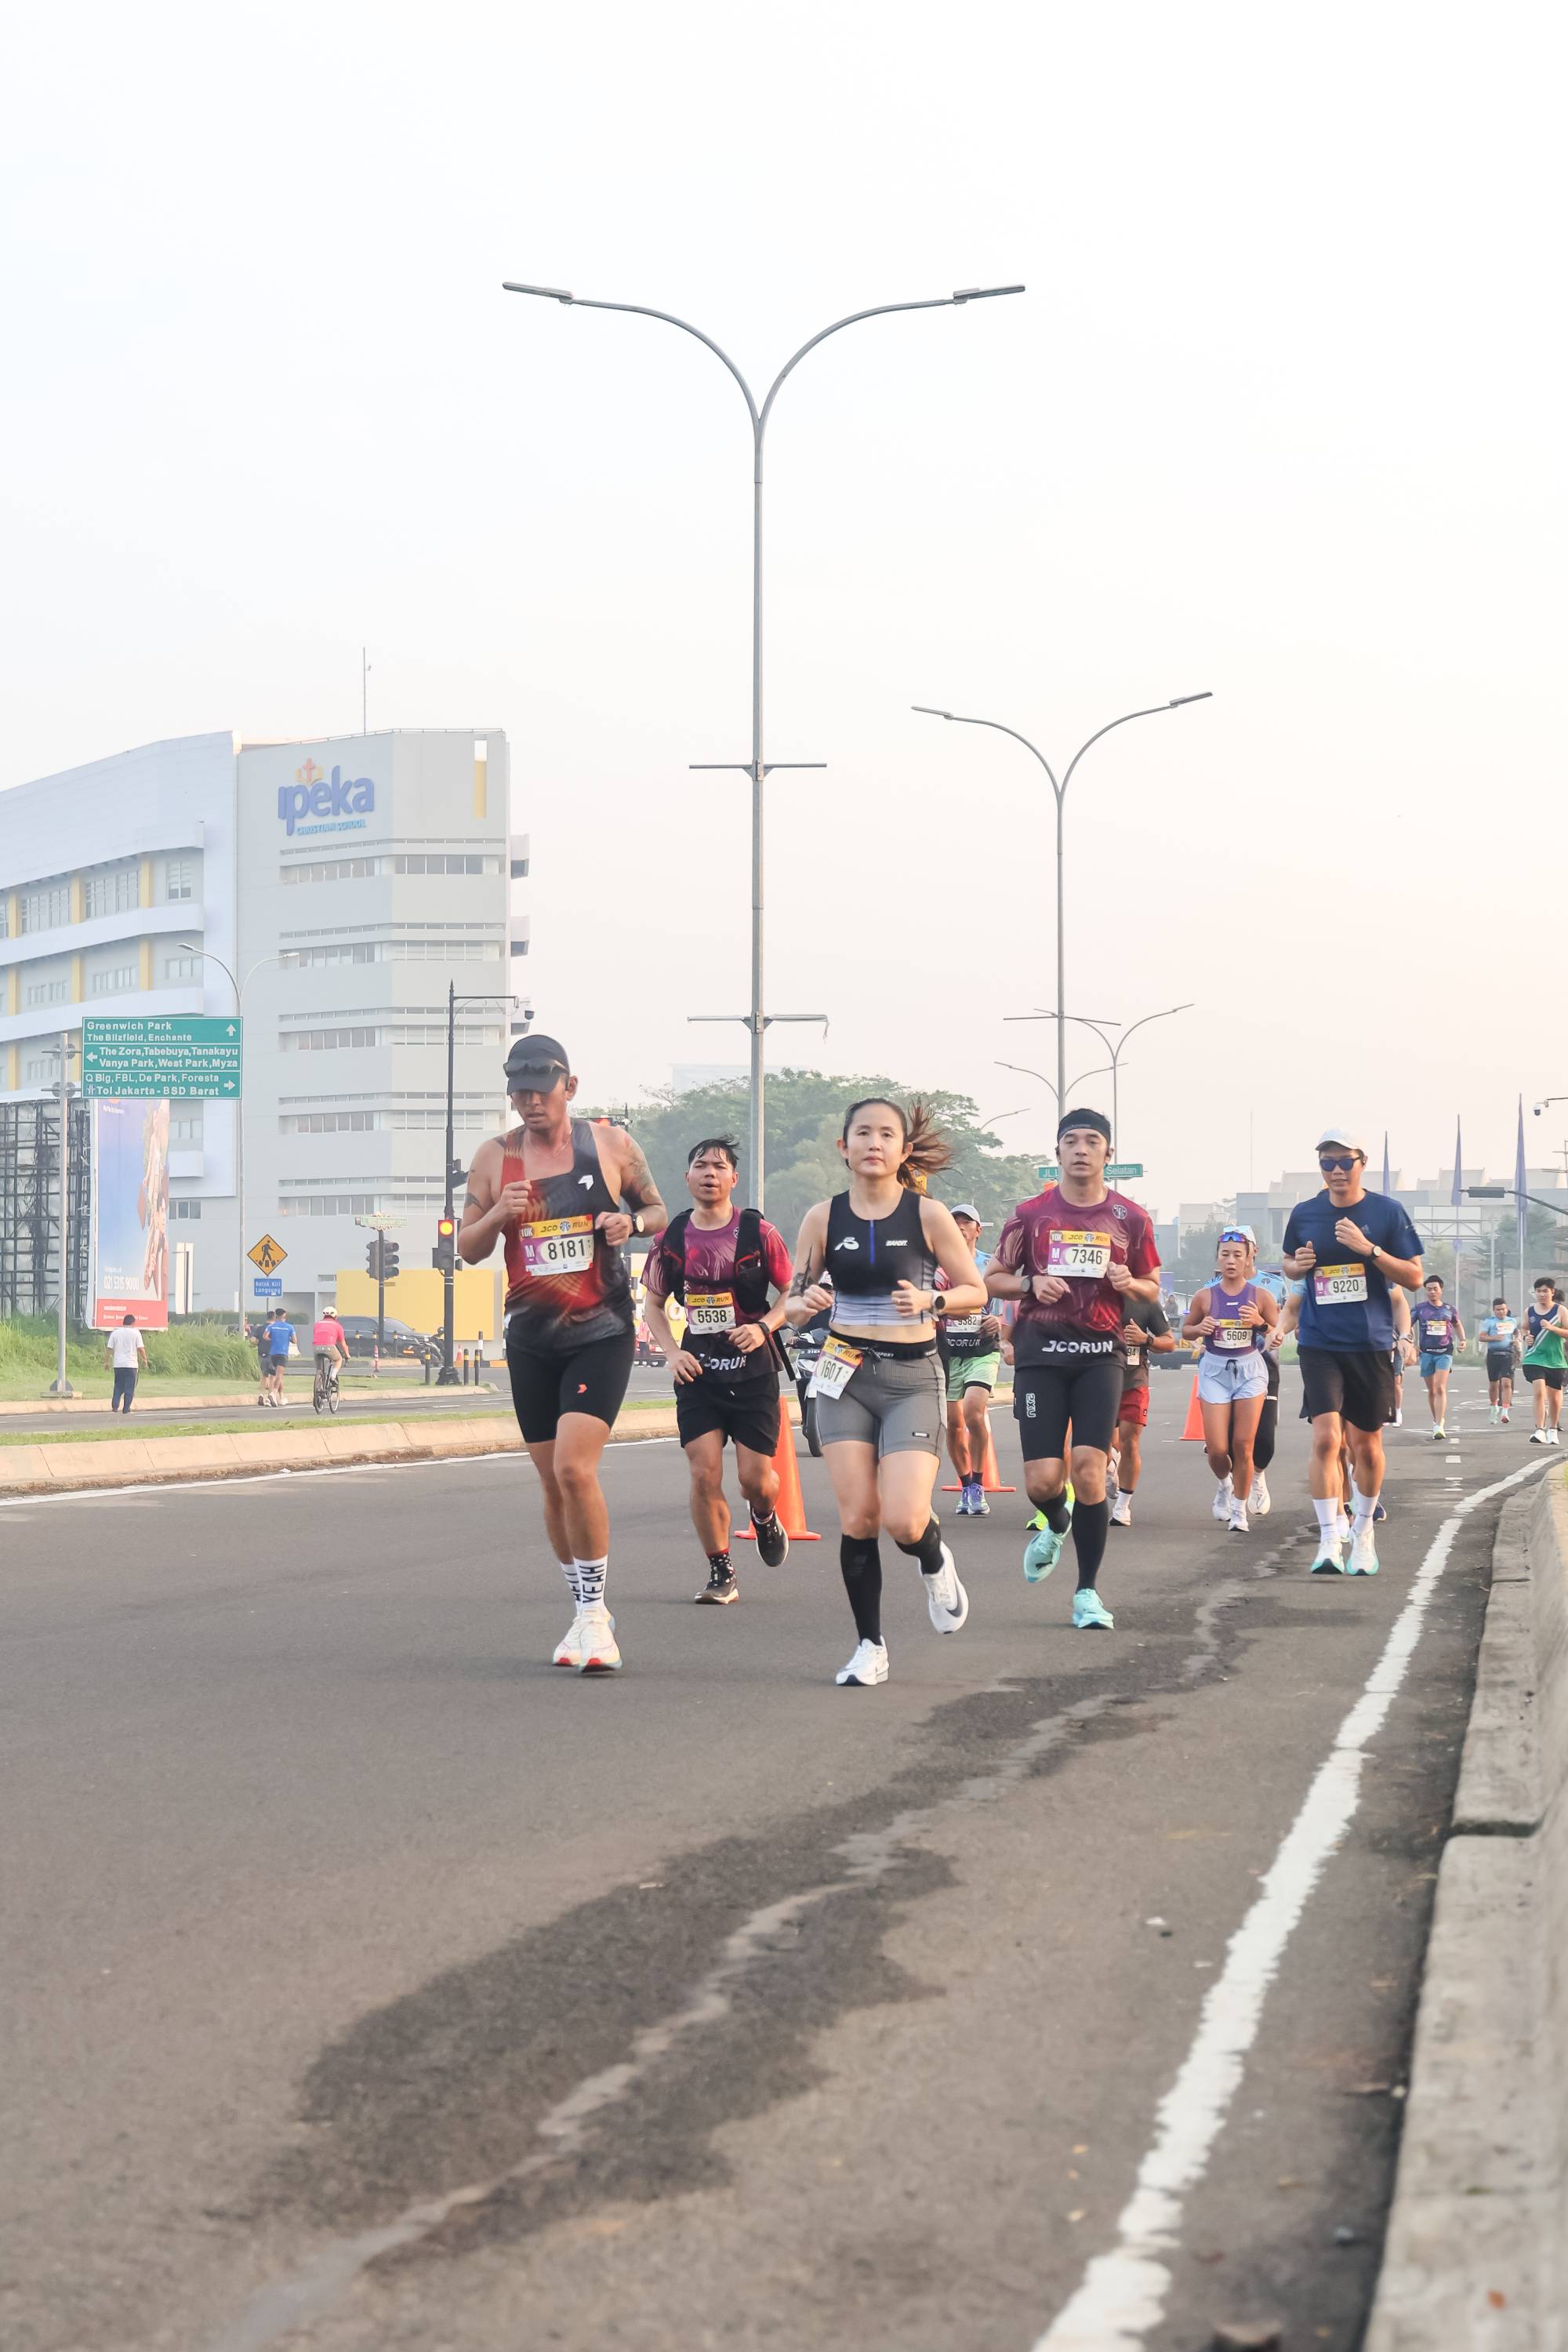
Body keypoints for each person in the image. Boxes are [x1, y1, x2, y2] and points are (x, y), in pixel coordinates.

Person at [459, 1033, 667, 1673]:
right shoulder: (494, 1157)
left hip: (601, 1330)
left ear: (569, 1087)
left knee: (575, 1469)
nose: (529, 1103)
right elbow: (468, 1248)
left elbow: (657, 1209)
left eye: (540, 1091)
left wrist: (631, 1223)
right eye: (518, 1093)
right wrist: (498, 1214)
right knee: (551, 1480)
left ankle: (596, 1615)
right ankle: (581, 1609)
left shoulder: (610, 1145)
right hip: (531, 1337)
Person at [784, 1097, 985, 1688]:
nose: (874, 1143)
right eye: (863, 1133)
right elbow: (791, 1303)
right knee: (858, 1517)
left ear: (903, 1149)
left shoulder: (929, 1215)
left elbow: (974, 1290)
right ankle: (869, 1646)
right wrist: (804, 1302)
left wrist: (932, 1300)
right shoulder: (822, 1217)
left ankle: (933, 1559)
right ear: (843, 1147)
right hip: (843, 1377)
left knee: (903, 1519)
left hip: (911, 1378)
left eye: (886, 1134)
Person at [985, 1109, 1161, 1629]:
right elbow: (993, 1277)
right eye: (1071, 1141)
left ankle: (1087, 1592)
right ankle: (1055, 1521)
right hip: (1041, 1354)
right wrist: (1029, 1284)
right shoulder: (1031, 1214)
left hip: (1100, 1356)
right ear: (1058, 1151)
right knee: (1043, 1482)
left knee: (1088, 1468)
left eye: (1092, 1141)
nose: (1081, 1149)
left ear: (1109, 1153)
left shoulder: (1131, 1218)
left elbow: (1151, 1286)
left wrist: (1130, 1283)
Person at [640, 1137, 794, 1604]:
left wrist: (764, 1327)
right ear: (687, 1177)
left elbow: (793, 1293)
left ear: (734, 1179)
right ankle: (721, 1570)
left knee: (755, 1481)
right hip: (698, 1372)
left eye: (720, 1166)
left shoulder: (759, 1233)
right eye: (701, 1165)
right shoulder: (670, 1240)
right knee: (704, 1473)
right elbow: (652, 1304)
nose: (710, 1173)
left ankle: (764, 1515)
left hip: (753, 1370)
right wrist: (672, 1352)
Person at [1281, 1125, 1423, 1576]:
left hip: (1370, 1343)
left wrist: (1369, 1249)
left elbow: (1414, 1278)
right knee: (1326, 1438)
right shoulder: (1305, 1213)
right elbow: (1287, 1263)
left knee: (1367, 1444)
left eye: (1346, 1161)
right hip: (1320, 1341)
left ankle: (1363, 1531)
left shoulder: (1387, 1212)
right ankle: (1329, 1537)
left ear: (1363, 1164)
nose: (1337, 1170)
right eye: (1328, 1163)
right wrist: (1297, 1266)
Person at [1183, 1228, 1279, 1532]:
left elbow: (1276, 1336)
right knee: (1217, 1449)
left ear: (1249, 1258)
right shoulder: (1205, 1296)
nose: (1231, 1261)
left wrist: (1260, 1323)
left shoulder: (1261, 1296)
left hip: (1250, 1369)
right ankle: (1225, 1484)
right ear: (1217, 1258)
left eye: (1238, 1255)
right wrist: (1200, 1329)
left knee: (1243, 1444)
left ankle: (1239, 1511)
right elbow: (1186, 1330)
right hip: (1214, 1370)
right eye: (1225, 1255)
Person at [937, 1204, 1006, 1516]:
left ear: (978, 1229)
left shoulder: (989, 1265)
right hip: (949, 1352)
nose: (961, 1226)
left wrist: (999, 1321)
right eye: (956, 1222)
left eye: (967, 1222)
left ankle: (978, 1484)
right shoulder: (938, 1265)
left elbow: (1007, 1303)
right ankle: (965, 1485)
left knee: (974, 1413)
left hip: (983, 1350)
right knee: (954, 1426)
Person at [1109, 1287, 1175, 1528]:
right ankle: (1111, 1465)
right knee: (1098, 1444)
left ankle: (1123, 1506)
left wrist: (1145, 1339)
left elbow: (1169, 1342)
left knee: (1130, 1442)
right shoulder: (1091, 1296)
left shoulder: (1146, 1301)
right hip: (1098, 1380)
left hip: (1134, 1379)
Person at [1410, 1274, 1465, 1440]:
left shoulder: (1449, 1309)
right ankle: (1436, 1421)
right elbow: (1407, 1325)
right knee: (1432, 1390)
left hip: (1444, 1352)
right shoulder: (1419, 1309)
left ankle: (1439, 1425)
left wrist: (1463, 1340)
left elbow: (1457, 1324)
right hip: (1426, 1352)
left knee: (1440, 1387)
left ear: (1441, 1290)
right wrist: (1411, 1342)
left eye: (1435, 1289)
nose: (1432, 1292)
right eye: (1429, 1289)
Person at [1524, 1279, 1568, 1446]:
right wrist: (1525, 1337)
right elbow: (1524, 1327)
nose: (1541, 1294)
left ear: (1552, 1292)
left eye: (1545, 1291)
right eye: (1538, 1291)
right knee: (1539, 1392)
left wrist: (1552, 1328)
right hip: (1534, 1357)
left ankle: (1553, 1429)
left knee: (1555, 1398)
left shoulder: (1560, 1311)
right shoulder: (1529, 1311)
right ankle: (1540, 1429)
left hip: (1555, 1360)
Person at [1479, 1298, 1518, 1425]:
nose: (1501, 1312)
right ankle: (1493, 1407)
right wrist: (1494, 1338)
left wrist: (1517, 1340)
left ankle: (1505, 1411)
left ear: (1507, 1309)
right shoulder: (1489, 1322)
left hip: (1508, 1354)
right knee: (1494, 1384)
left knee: (1506, 1383)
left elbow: (1517, 1333)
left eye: (1503, 1309)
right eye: (1498, 1309)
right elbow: (1481, 1337)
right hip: (1493, 1355)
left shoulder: (1512, 1321)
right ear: (1494, 1310)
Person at [104, 1312, 147, 1413]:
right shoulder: (136, 1333)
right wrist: (145, 1359)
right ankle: (126, 1408)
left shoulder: (115, 1333)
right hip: (131, 1365)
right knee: (129, 1387)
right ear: (133, 1323)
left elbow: (109, 1349)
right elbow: (140, 1348)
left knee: (118, 1385)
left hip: (118, 1365)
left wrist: (106, 1362)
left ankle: (115, 1406)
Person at [312, 1302, 349, 1397]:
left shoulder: (317, 1324)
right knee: (338, 1359)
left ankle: (318, 1391)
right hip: (330, 1347)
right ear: (335, 1317)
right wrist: (347, 1355)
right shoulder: (337, 1326)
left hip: (316, 1347)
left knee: (319, 1370)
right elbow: (343, 1343)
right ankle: (333, 1377)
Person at [261, 1312, 296, 1407]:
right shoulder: (290, 1327)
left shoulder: (271, 1326)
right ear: (285, 1317)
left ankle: (278, 1397)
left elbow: (265, 1336)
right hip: (283, 1353)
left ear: (276, 1317)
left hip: (273, 1354)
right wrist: (286, 1338)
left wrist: (273, 1339)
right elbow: (294, 1340)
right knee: (279, 1376)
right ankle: (273, 1394)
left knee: (275, 1375)